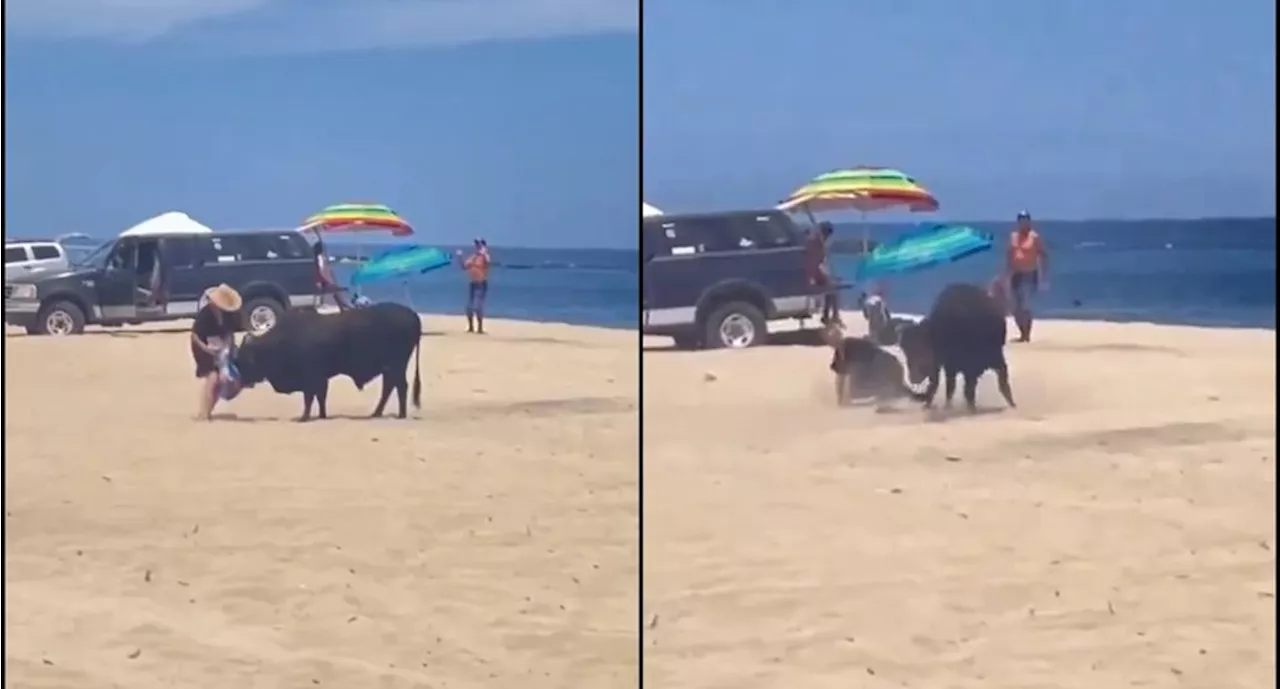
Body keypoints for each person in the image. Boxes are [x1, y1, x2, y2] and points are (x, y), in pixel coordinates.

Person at [191, 283, 243, 421]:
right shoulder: (205, 314)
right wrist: (206, 349)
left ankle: (208, 410)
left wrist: (228, 349)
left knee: (222, 380)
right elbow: (195, 335)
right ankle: (204, 413)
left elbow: (229, 333)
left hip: (222, 347)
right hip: (203, 347)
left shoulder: (229, 315)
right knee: (212, 377)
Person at [1005, 210, 1049, 342]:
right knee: (1015, 307)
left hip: (1030, 273)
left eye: (1025, 220)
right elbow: (1009, 255)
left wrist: (1043, 276)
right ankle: (1022, 331)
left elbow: (1044, 255)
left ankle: (1026, 334)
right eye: (1021, 220)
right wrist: (1006, 274)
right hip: (1016, 273)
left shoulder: (1034, 237)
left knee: (1025, 305)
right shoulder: (1013, 236)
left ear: (1029, 221)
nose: (1023, 223)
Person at [804, 222, 841, 326]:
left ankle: (828, 315)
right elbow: (814, 262)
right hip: (813, 273)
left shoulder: (818, 242)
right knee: (832, 289)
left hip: (815, 272)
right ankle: (833, 316)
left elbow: (819, 263)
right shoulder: (816, 243)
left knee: (831, 290)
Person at [458, 238, 491, 333]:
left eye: (479, 244)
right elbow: (464, 266)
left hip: (481, 283)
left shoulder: (485, 255)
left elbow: (488, 262)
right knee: (469, 306)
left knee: (478, 306)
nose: (477, 246)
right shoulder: (474, 256)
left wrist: (483, 252)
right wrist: (460, 257)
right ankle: (471, 327)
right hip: (473, 283)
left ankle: (480, 328)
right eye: (476, 244)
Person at [313, 238, 352, 311]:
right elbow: (320, 273)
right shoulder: (319, 259)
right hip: (319, 283)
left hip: (319, 282)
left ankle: (342, 305)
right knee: (335, 289)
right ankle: (342, 305)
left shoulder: (315, 259)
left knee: (335, 289)